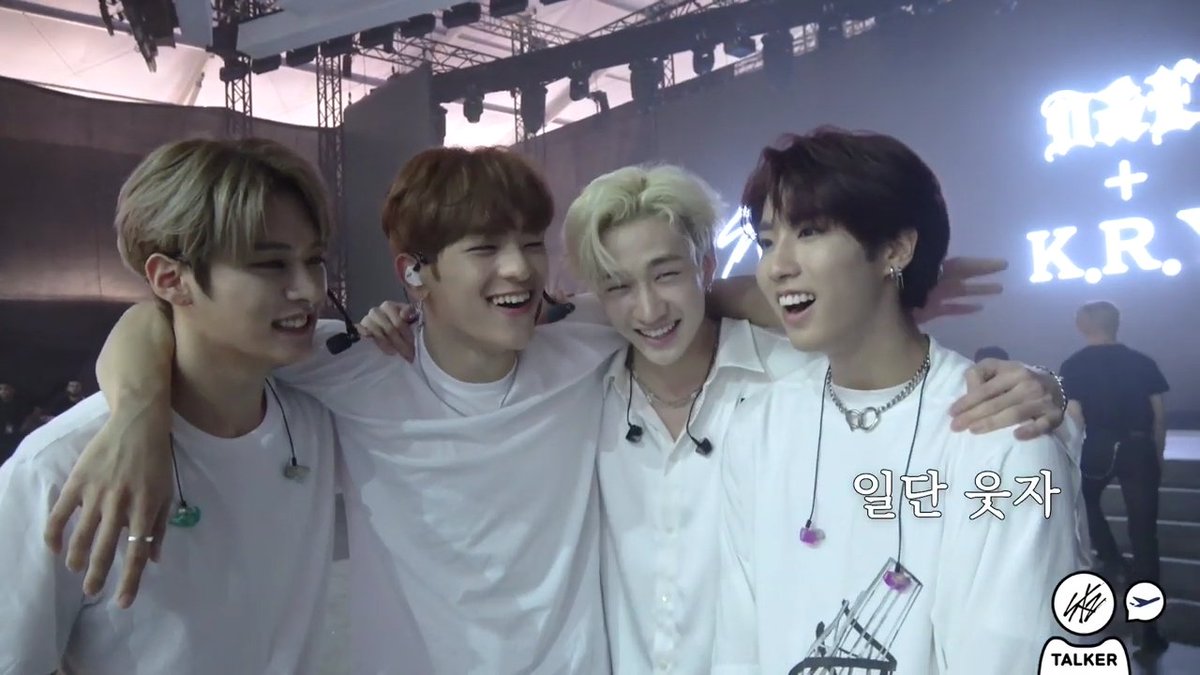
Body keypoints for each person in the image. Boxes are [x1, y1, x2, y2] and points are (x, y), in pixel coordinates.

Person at [47, 147, 1062, 674]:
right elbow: (164, 320)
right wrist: (135, 411)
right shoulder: (347, 371)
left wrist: (894, 286)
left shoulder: (584, 342)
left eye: (530, 244)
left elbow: (691, 297)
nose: (519, 270)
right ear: (414, 271)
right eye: (484, 249)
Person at [552, 163, 1074, 674]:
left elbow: (906, 390)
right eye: (617, 286)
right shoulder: (579, 393)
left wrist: (1050, 398)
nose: (647, 309)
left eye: (667, 273)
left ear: (706, 268)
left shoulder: (788, 383)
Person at [713, 128, 1087, 675]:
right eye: (768, 242)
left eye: (809, 231)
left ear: (895, 248)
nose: (775, 266)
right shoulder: (758, 425)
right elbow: (738, 641)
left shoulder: (999, 433)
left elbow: (1010, 656)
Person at [0, 138, 339, 673]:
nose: (309, 290)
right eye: (271, 264)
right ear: (170, 279)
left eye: (314, 260)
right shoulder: (59, 470)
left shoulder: (324, 409)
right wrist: (137, 414)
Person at [1061, 300, 1169, 656]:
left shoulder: (1073, 365)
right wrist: (1157, 455)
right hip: (1139, 447)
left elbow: (1075, 417)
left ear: (1082, 326)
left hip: (1098, 447)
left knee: (1083, 500)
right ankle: (1148, 630)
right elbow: (1159, 416)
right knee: (1145, 537)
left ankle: (1110, 557)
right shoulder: (1143, 362)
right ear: (1117, 323)